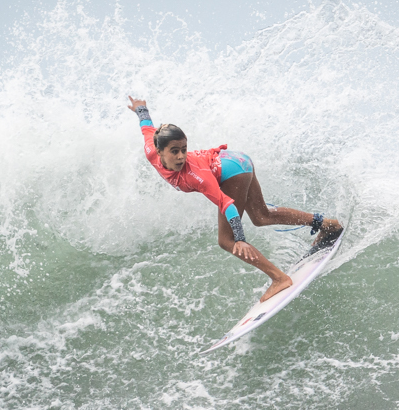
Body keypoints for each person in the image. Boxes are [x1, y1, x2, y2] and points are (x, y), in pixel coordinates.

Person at [128, 96, 342, 302]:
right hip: (239, 160)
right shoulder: (150, 149)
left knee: (226, 240)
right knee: (261, 215)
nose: (181, 156)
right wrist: (141, 109)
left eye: (184, 150)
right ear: (158, 151)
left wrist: (239, 238)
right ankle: (328, 224)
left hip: (232, 171)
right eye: (174, 151)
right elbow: (147, 127)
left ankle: (279, 278)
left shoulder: (196, 175)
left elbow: (226, 203)